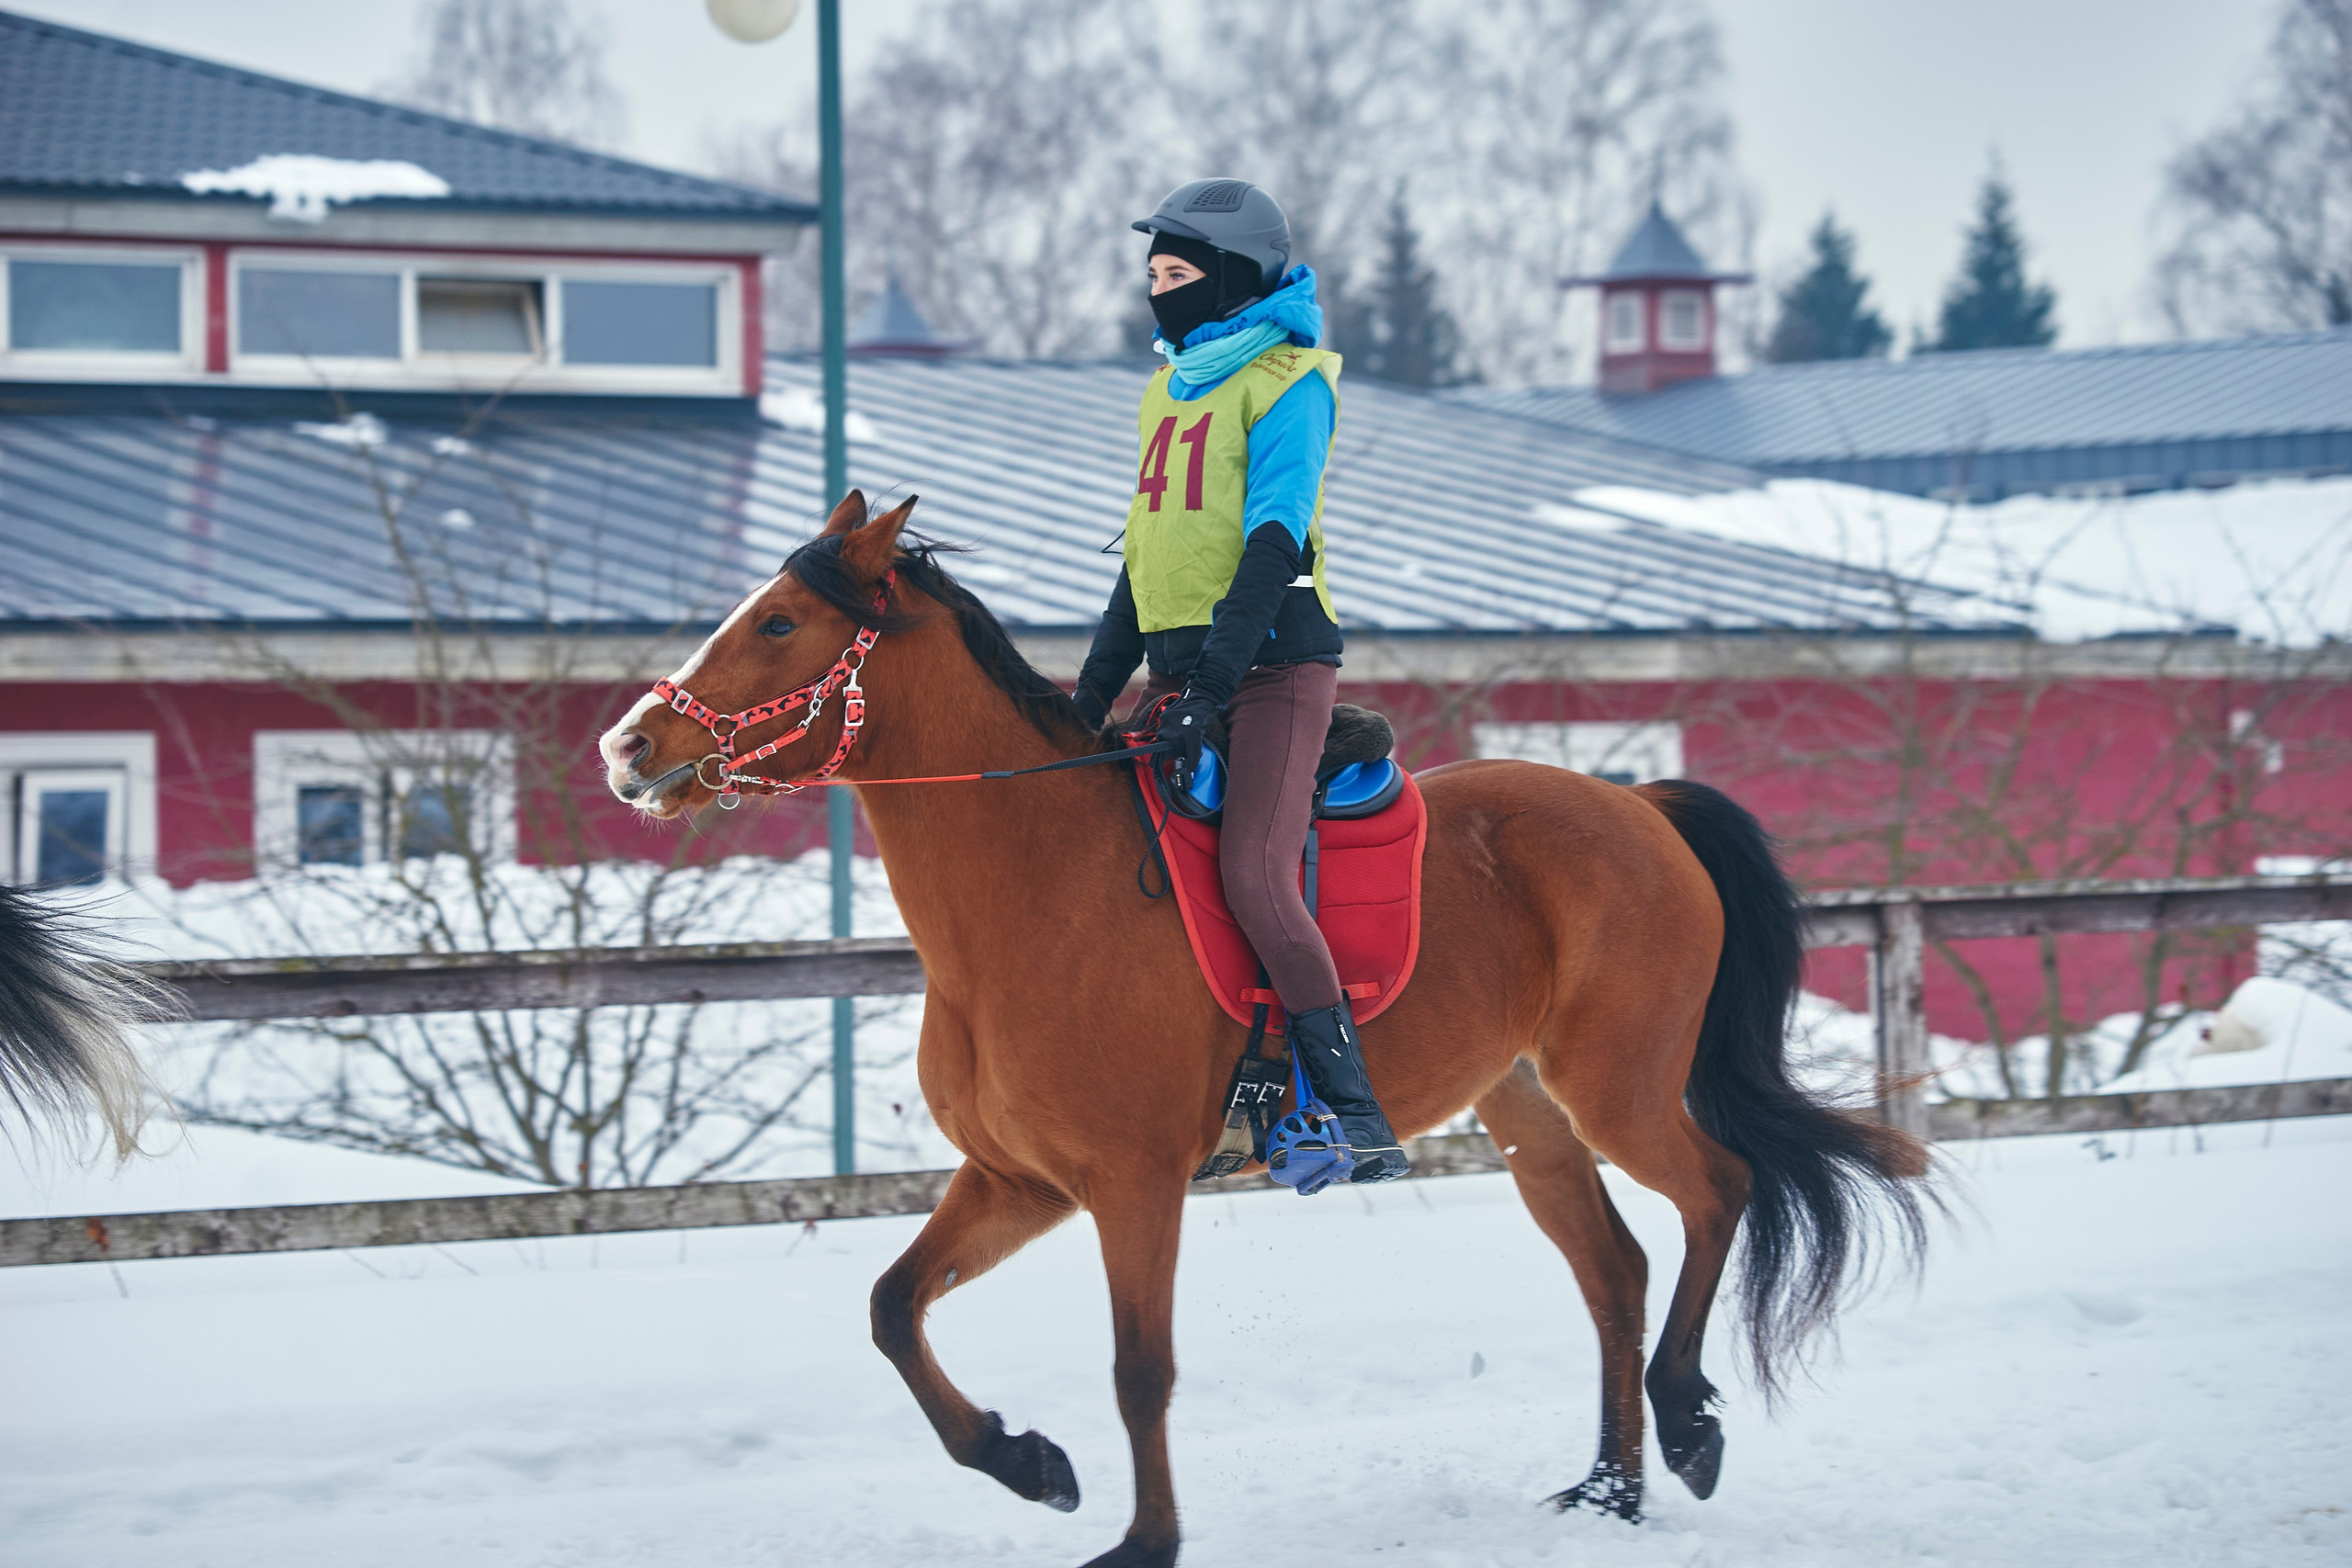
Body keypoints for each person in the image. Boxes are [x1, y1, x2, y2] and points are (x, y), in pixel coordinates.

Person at [1074, 178, 1408, 1186]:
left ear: (1228, 280)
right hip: (1186, 669)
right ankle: (1223, 1091)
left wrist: (1216, 684)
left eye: (1175, 276)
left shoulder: (1291, 382)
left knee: (1255, 876)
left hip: (1272, 667)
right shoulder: (1164, 389)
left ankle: (1357, 1120)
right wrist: (1082, 704)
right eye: (1151, 277)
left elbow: (1271, 544)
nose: (1157, 294)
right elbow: (1147, 565)